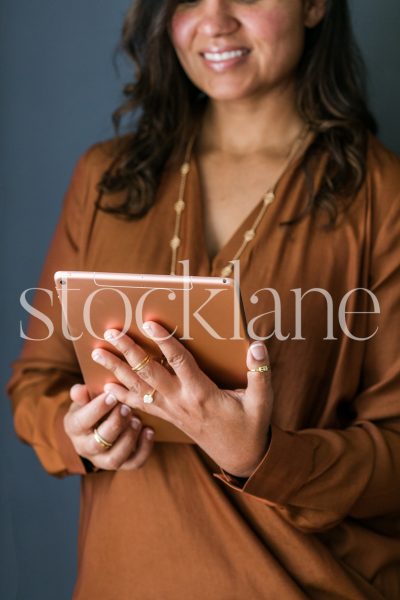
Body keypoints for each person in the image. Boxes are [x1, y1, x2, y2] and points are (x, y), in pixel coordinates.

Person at [7, 0, 400, 598]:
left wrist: (264, 456)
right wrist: (75, 435)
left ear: (316, 5)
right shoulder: (104, 178)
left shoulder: (382, 196)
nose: (215, 20)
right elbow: (37, 382)